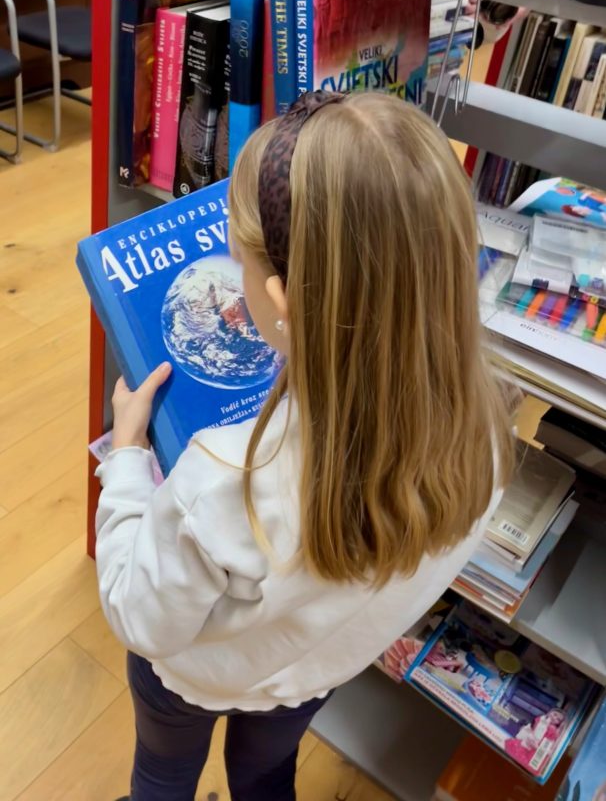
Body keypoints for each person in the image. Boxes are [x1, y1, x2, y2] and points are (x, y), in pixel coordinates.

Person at [96, 91, 516, 801]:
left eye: (236, 258)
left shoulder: (223, 478)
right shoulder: (491, 432)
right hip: (313, 672)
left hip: (193, 679)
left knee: (163, 775)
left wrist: (129, 461)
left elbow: (139, 614)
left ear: (284, 303)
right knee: (266, 774)